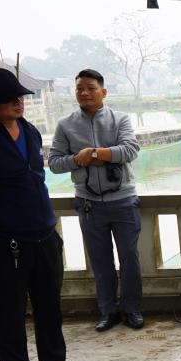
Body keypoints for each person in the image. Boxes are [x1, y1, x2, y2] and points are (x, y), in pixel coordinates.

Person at [0, 67, 92, 361]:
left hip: (44, 235)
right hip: (5, 244)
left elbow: (36, 179)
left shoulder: (29, 131)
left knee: (49, 306)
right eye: (7, 99)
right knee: (9, 312)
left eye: (19, 96)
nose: (18, 103)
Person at [49, 69, 144, 332]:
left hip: (123, 200)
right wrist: (77, 159)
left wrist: (94, 153)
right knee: (100, 261)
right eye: (80, 88)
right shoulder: (65, 125)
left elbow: (131, 150)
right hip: (88, 202)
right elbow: (54, 163)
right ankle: (107, 311)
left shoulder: (120, 119)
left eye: (91, 88)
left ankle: (132, 309)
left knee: (129, 258)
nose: (85, 93)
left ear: (103, 92)